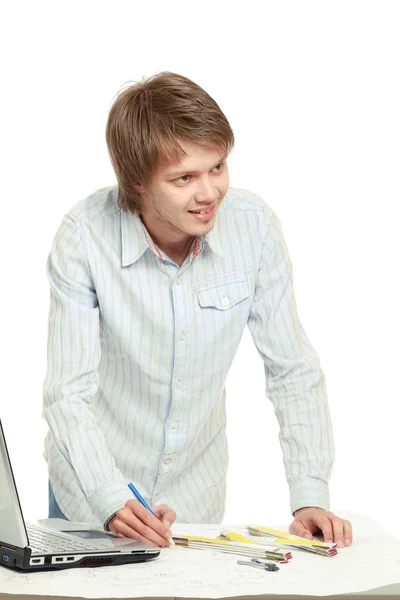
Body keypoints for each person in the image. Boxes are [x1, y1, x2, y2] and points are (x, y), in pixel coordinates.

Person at [43, 71, 352, 549]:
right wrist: (109, 496)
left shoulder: (256, 228)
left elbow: (292, 370)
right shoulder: (83, 236)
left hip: (195, 501)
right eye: (184, 177)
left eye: (217, 167)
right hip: (91, 496)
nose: (209, 193)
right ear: (137, 183)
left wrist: (309, 494)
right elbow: (68, 394)